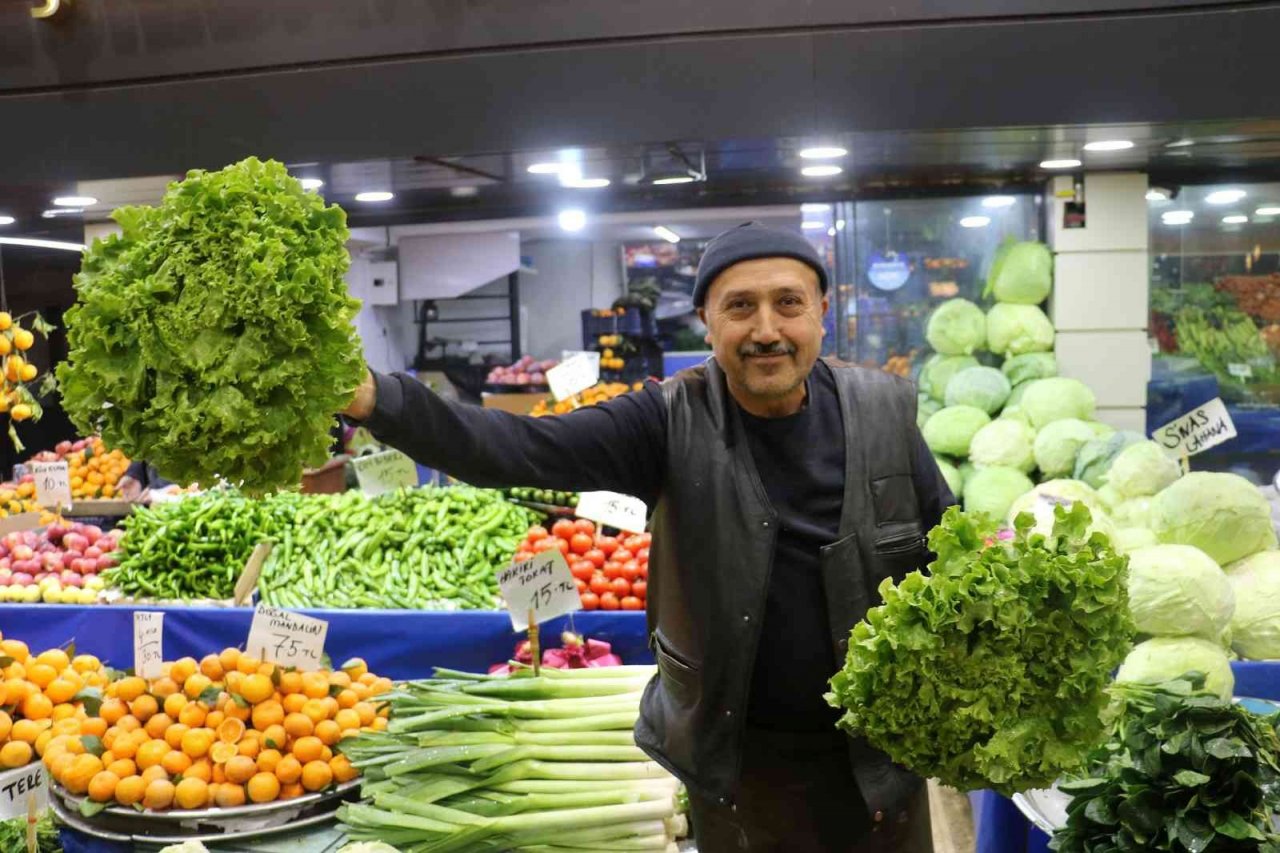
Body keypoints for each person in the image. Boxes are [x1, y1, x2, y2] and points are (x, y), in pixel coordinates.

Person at [344, 222, 954, 852]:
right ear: (706, 322)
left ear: (823, 313)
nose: (767, 329)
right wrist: (375, 398)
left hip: (882, 768)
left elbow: (949, 549)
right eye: (740, 306)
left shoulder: (885, 410)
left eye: (788, 303)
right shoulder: (666, 419)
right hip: (742, 771)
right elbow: (516, 448)